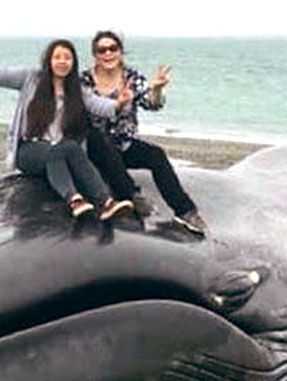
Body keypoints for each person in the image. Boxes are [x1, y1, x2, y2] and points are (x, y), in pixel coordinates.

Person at [0, 39, 134, 221]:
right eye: (57, 57)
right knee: (56, 152)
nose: (62, 61)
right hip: (29, 150)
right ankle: (73, 199)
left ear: (73, 63)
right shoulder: (32, 78)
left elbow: (98, 105)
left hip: (59, 149)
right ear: (49, 60)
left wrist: (119, 103)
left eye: (67, 58)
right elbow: (1, 76)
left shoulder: (76, 89)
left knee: (71, 147)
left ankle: (106, 203)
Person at [81, 30, 208, 235]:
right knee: (99, 139)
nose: (107, 54)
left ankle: (185, 211)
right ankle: (131, 195)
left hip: (124, 144)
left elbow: (152, 104)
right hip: (96, 147)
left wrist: (156, 89)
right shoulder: (85, 80)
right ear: (95, 54)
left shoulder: (131, 77)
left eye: (113, 48)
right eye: (101, 50)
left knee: (156, 155)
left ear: (120, 51)